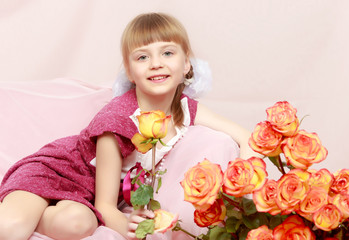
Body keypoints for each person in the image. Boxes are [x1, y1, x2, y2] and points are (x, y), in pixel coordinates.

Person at [0, 12, 256, 240]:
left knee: (77, 225)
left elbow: (245, 137)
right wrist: (126, 227)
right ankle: (25, 210)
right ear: (130, 72)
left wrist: (243, 187)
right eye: (143, 57)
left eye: (167, 53)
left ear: (187, 64)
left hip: (83, 197)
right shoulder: (117, 120)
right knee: (12, 229)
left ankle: (42, 214)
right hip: (55, 172)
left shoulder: (184, 106)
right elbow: (106, 204)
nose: (156, 63)